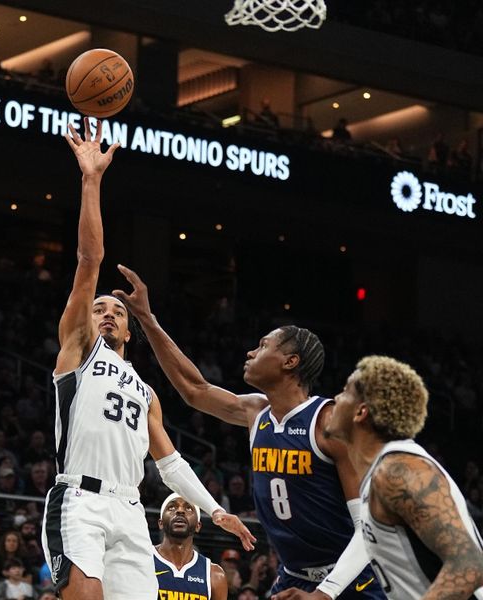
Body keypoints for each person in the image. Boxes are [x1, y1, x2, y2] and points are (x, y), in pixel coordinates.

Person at [41, 118, 253, 600]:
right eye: (100, 309)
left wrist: (215, 510)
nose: (107, 313)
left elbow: (171, 463)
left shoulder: (146, 391)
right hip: (80, 500)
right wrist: (91, 180)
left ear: (130, 330)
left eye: (117, 310)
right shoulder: (76, 352)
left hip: (131, 510)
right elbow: (89, 261)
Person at [112, 266, 384, 599]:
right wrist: (147, 319)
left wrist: (325, 594)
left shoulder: (328, 422)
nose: (251, 353)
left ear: (289, 362)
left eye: (263, 346)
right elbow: (193, 388)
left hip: (349, 580)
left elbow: (369, 529)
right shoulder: (257, 412)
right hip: (294, 576)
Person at [324, 355, 483, 599]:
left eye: (345, 392)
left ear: (361, 411)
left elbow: (471, 564)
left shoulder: (399, 470)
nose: (335, 398)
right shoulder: (381, 470)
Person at [154, 493, 227, 600]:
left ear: (198, 526)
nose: (180, 511)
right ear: (160, 523)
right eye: (172, 507)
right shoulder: (142, 560)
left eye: (188, 508)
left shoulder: (214, 575)